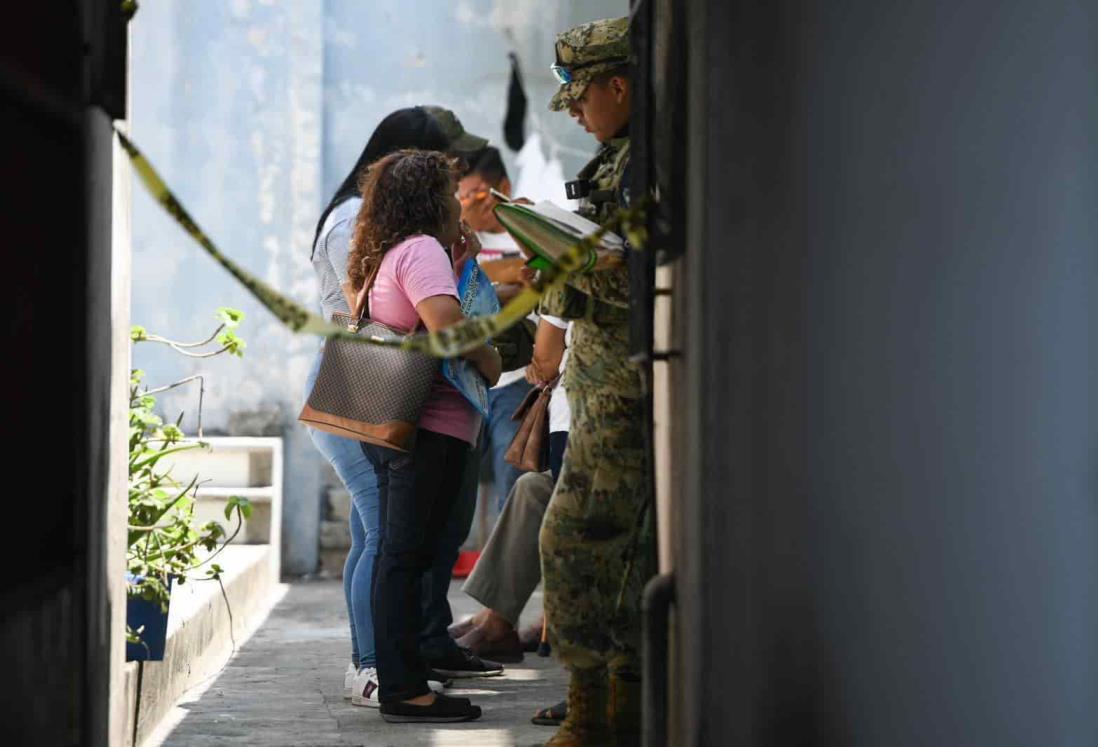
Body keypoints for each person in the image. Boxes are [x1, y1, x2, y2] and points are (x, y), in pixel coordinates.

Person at [349, 149, 502, 723]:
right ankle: (404, 689)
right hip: (427, 426)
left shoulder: (388, 251)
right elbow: (447, 329)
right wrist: (491, 359)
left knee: (402, 553)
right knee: (405, 556)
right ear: (433, 200)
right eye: (450, 193)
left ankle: (405, 678)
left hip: (397, 421)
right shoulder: (421, 251)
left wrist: (461, 263)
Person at [305, 106, 450, 708]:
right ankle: (369, 666)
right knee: (382, 534)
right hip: (362, 380)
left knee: (375, 530)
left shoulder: (365, 219)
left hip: (370, 375)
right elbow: (367, 313)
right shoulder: (349, 223)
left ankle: (376, 663)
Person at [536, 16, 655, 747]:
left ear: (620, 84)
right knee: (586, 547)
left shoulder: (642, 165)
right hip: (601, 388)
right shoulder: (619, 161)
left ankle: (604, 718)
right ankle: (594, 712)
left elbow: (646, 281)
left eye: (582, 98)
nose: (576, 113)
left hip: (625, 394)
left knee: (585, 544)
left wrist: (583, 270)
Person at [447, 315, 572, 663]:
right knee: (529, 488)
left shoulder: (572, 272)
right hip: (565, 413)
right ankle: (497, 619)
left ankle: (508, 623)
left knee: (533, 491)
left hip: (579, 420)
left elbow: (544, 362)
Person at [458, 147, 535, 516]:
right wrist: (510, 275)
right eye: (463, 197)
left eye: (479, 194)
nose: (472, 205)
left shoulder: (531, 231)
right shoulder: (460, 240)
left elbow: (541, 280)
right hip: (465, 382)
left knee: (513, 488)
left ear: (502, 186)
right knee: (453, 496)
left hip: (517, 385)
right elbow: (455, 286)